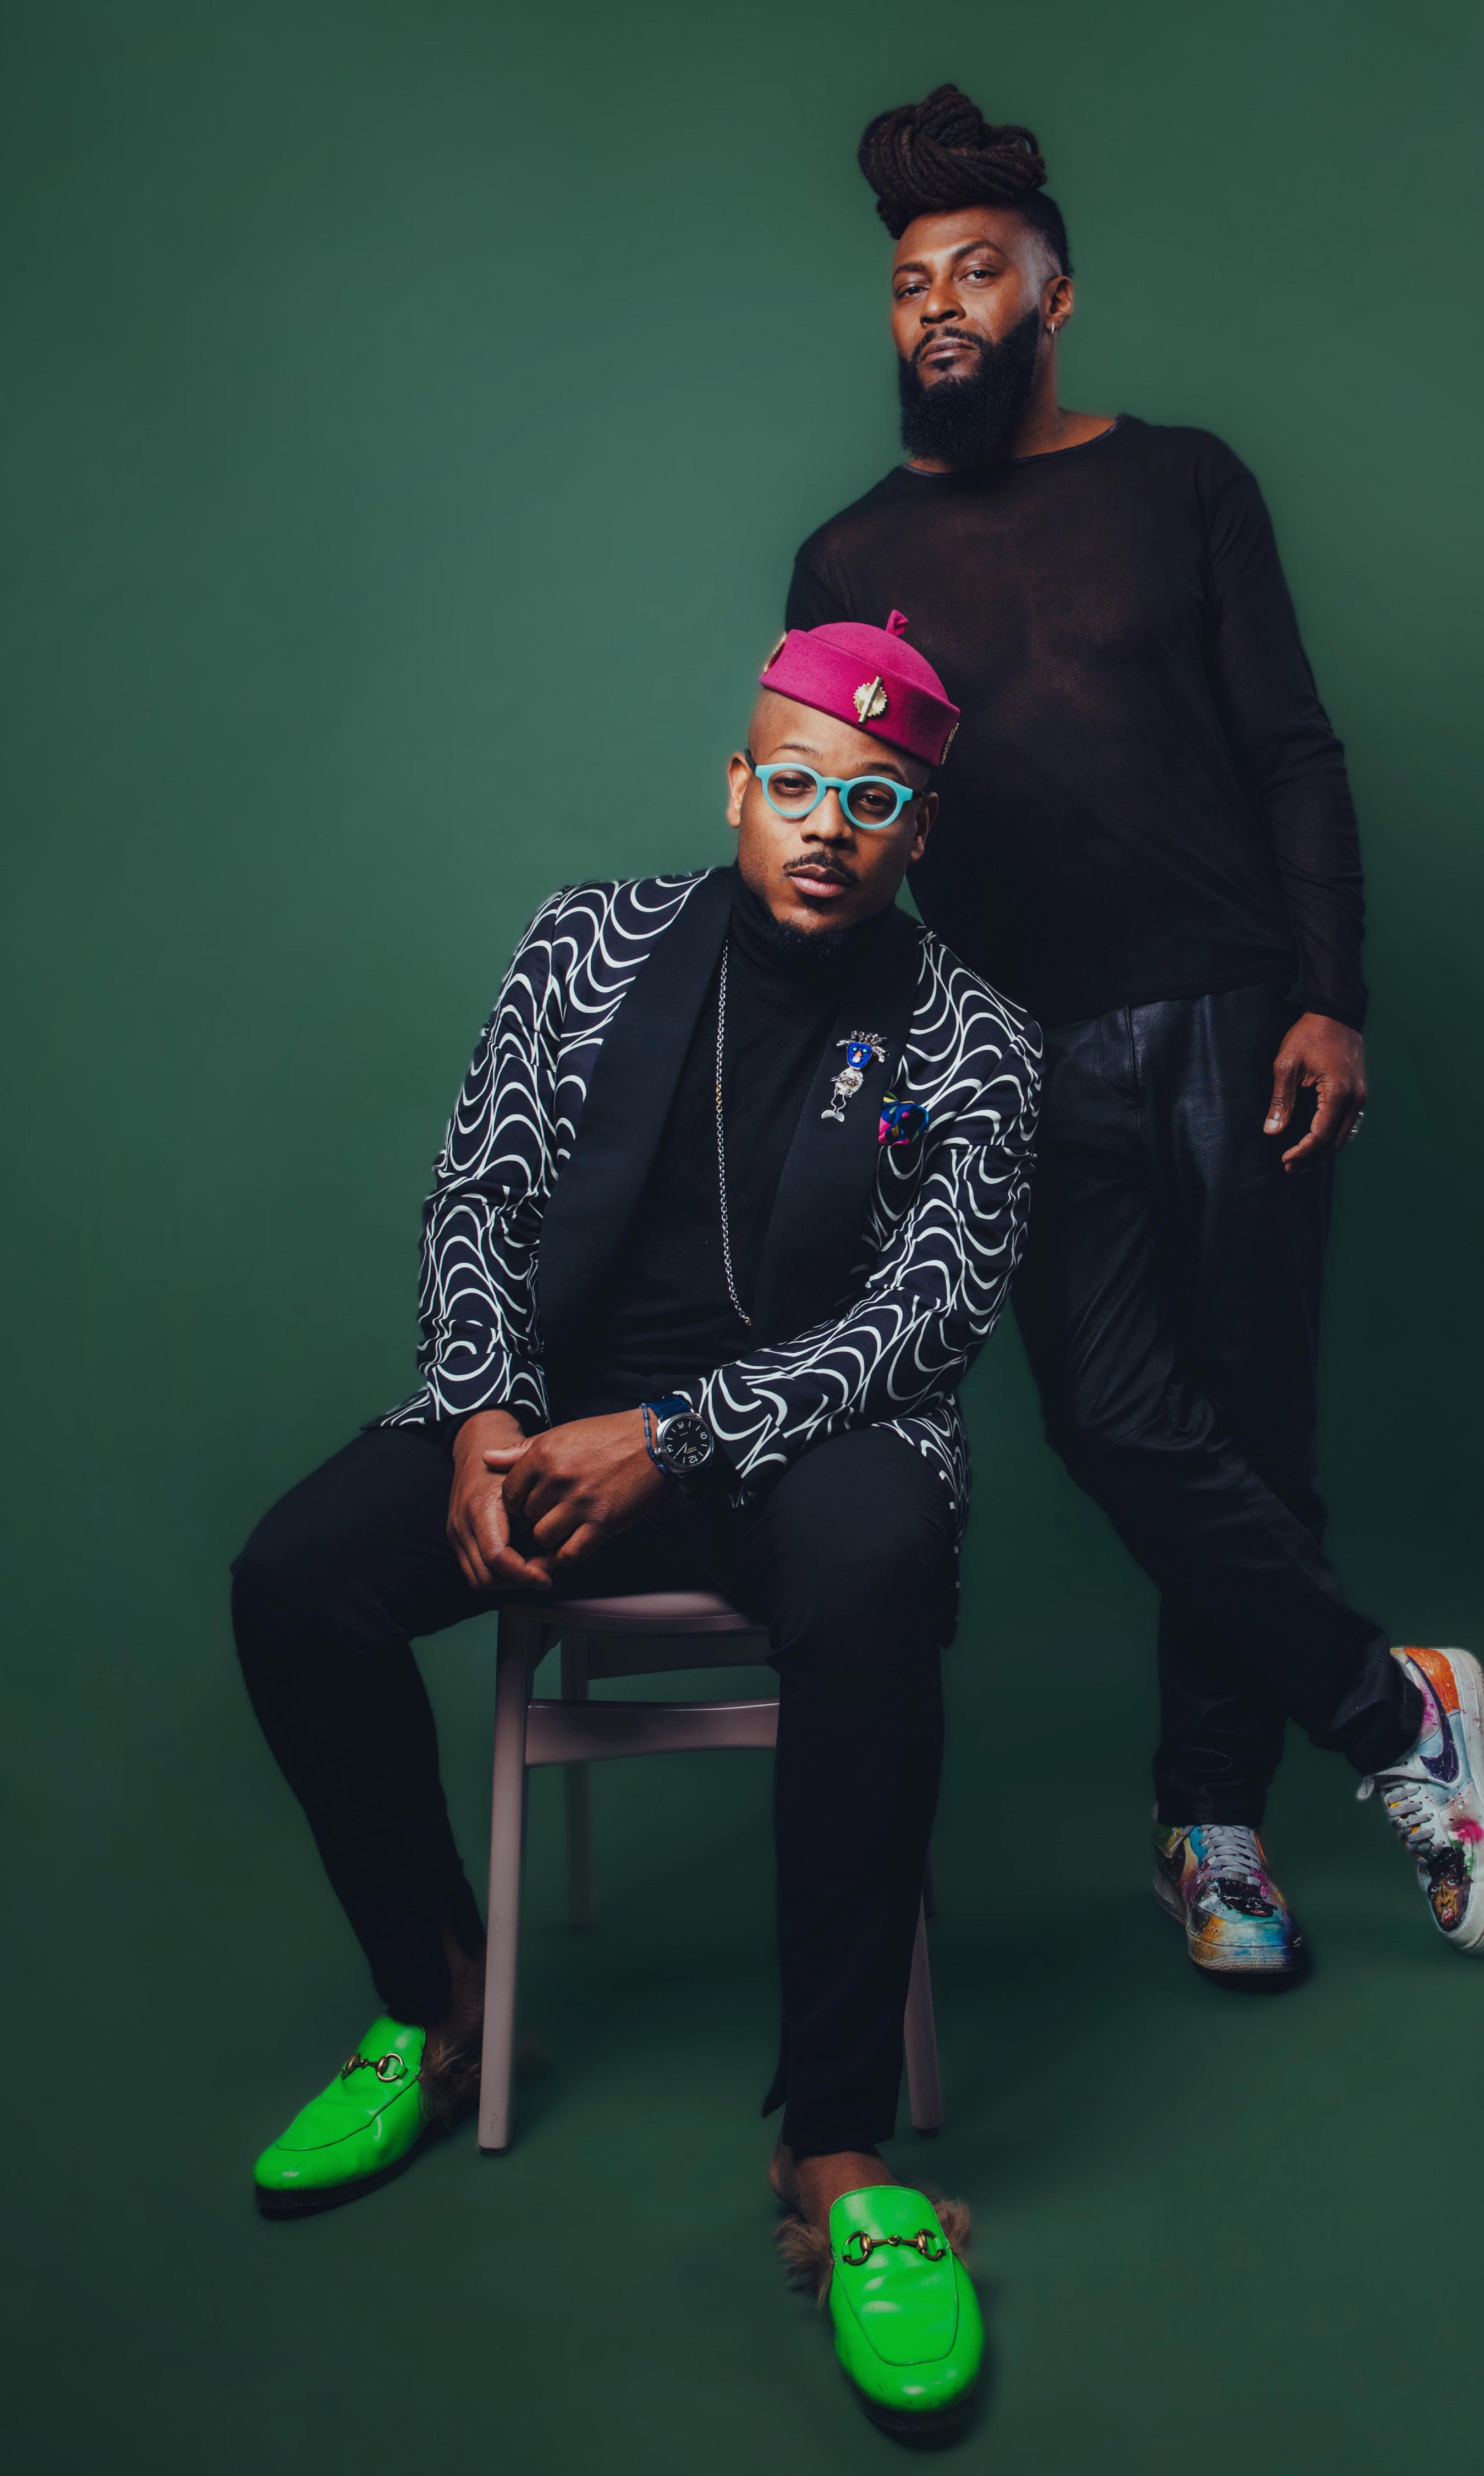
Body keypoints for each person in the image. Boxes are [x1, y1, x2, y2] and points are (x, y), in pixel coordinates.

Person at [232, 611, 1036, 2426]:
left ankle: (837, 2155)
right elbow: (480, 1193)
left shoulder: (978, 1038)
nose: (829, 827)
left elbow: (927, 1321)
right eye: (801, 787)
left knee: (875, 1579)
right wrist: (485, 1413)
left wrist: (671, 1437)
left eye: (876, 802)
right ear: (740, 787)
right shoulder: (583, 943)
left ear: (918, 832)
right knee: (292, 1582)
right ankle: (435, 2007)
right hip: (548, 1414)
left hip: (808, 1438)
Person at [785, 84, 1484, 1980]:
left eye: (977, 272)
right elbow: (839, 836)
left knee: (1252, 1429)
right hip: (1016, 1051)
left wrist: (1329, 992)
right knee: (1118, 1422)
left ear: (1056, 295)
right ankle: (1397, 1710)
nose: (939, 307)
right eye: (910, 285)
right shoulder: (847, 560)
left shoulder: (1184, 483)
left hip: (1231, 1017)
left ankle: (1212, 1826)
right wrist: (884, 1072)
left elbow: (1291, 747)